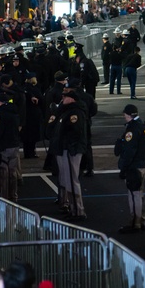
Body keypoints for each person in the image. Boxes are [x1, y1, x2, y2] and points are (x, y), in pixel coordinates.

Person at [48, 88, 88, 221]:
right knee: (68, 181)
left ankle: (78, 210)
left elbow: (75, 133)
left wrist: (70, 148)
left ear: (71, 99)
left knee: (72, 181)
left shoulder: (75, 113)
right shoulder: (66, 111)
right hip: (66, 149)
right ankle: (72, 208)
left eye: (65, 97)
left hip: (71, 150)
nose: (62, 99)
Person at [114, 103, 145, 233]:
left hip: (134, 166)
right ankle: (141, 220)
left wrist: (124, 168)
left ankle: (135, 223)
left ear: (128, 115)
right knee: (139, 194)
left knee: (134, 194)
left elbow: (130, 150)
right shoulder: (144, 125)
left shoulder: (132, 129)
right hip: (142, 163)